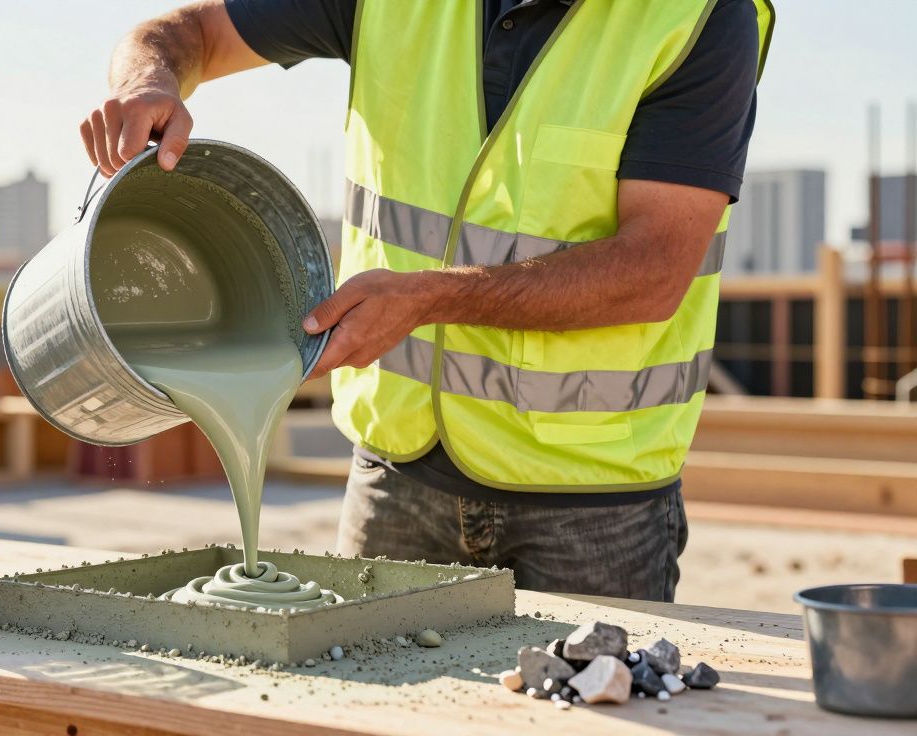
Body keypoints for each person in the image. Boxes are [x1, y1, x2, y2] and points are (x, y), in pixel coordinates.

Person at [82, 0, 774, 602]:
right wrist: (148, 80)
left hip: (593, 509)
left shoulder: (698, 16)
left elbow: (652, 270)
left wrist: (427, 298)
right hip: (395, 477)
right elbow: (191, 31)